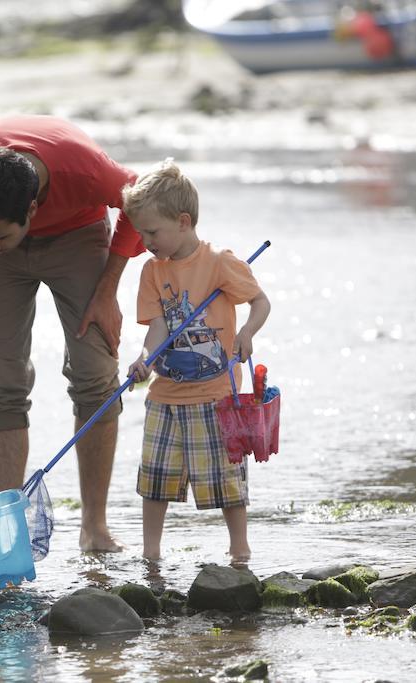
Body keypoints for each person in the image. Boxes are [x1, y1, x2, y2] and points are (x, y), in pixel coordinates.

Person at [0, 115, 146, 552]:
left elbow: (139, 201)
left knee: (95, 372)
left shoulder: (85, 170)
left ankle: (95, 528)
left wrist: (107, 292)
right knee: (0, 384)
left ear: (31, 209)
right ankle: (7, 536)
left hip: (77, 234)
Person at [122, 159, 271, 563]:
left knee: (225, 478)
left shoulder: (219, 263)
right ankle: (150, 552)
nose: (146, 241)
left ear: (183, 221)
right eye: (140, 232)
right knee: (155, 478)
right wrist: (144, 360)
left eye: (152, 232)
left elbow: (260, 302)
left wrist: (246, 334)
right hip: (165, 395)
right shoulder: (152, 272)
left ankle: (239, 548)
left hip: (214, 392)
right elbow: (155, 328)